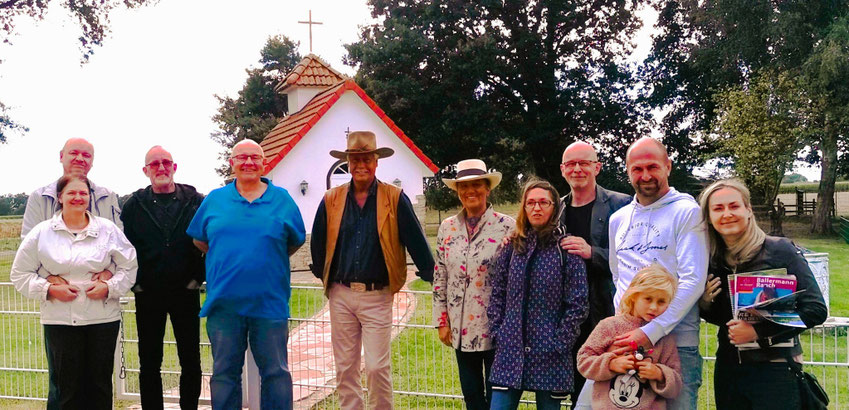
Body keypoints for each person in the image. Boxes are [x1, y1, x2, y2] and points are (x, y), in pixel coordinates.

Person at [310, 131, 435, 409]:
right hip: (341, 294)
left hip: (377, 296)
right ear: (348, 164)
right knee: (345, 368)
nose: (360, 166)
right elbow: (318, 242)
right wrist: (325, 277)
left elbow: (416, 240)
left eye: (366, 159)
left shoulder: (394, 197)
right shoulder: (331, 199)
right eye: (355, 160)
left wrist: (433, 276)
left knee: (377, 367)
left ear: (376, 162)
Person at [187, 139, 306, 410]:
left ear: (264, 163)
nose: (249, 163)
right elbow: (200, 240)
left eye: (255, 157)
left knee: (276, 373)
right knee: (224, 375)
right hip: (223, 306)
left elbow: (294, 240)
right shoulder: (215, 200)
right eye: (242, 157)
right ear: (232, 164)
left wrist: (264, 256)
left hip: (269, 304)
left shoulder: (283, 200)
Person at [697, 179, 827, 409]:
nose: (727, 214)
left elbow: (815, 310)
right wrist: (705, 304)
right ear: (708, 217)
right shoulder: (712, 260)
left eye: (734, 206)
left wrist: (759, 332)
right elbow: (724, 318)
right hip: (729, 372)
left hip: (775, 370)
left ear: (748, 210)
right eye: (718, 209)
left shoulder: (781, 250)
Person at [10, 175, 137, 410]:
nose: (78, 197)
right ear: (60, 197)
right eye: (71, 193)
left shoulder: (107, 230)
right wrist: (49, 289)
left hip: (102, 320)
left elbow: (129, 266)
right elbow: (19, 274)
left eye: (83, 193)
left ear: (89, 197)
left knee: (99, 387)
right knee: (65, 390)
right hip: (60, 322)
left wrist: (109, 287)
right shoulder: (42, 233)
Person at [608, 137, 708, 410]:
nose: (645, 176)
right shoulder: (618, 219)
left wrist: (652, 331)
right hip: (627, 343)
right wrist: (623, 329)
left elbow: (693, 280)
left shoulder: (686, 212)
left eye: (653, 167)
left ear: (668, 166)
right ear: (627, 172)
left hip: (676, 344)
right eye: (637, 169)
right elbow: (620, 279)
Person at [486, 178, 588, 410]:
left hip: (551, 354)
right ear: (524, 208)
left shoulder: (566, 250)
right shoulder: (512, 248)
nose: (537, 208)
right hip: (509, 350)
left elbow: (578, 304)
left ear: (554, 207)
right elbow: (497, 294)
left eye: (544, 202)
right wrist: (499, 331)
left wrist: (560, 342)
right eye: (531, 203)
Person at [120, 146, 205, 410]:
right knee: (149, 361)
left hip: (186, 291)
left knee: (190, 359)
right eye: (154, 164)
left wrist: (197, 279)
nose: (161, 168)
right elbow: (123, 247)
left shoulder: (195, 201)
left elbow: (210, 240)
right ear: (145, 171)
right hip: (149, 294)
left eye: (166, 163)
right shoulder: (134, 205)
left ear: (175, 167)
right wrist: (137, 284)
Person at [431, 159, 515, 410]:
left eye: (477, 185)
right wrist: (442, 321)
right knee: (472, 395)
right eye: (464, 186)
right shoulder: (447, 227)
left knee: (498, 396)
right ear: (457, 191)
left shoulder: (507, 226)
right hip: (459, 327)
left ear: (488, 188)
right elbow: (440, 276)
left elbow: (515, 277)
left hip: (496, 327)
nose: (471, 191)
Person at [557, 141, 631, 400]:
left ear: (597, 167)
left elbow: (634, 257)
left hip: (607, 307)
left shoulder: (622, 205)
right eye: (571, 164)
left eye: (584, 163)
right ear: (562, 170)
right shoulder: (556, 208)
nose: (577, 169)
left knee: (610, 383)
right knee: (575, 380)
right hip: (567, 311)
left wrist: (593, 253)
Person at [577, 264, 683, 409]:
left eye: (661, 302)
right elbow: (583, 360)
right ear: (633, 296)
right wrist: (611, 364)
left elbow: (676, 385)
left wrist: (659, 374)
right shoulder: (609, 326)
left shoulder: (665, 337)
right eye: (648, 299)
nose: (653, 307)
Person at [22, 137, 122, 237]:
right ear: (61, 156)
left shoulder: (108, 197)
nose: (79, 159)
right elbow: (29, 243)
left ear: (92, 162)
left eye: (86, 155)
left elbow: (118, 241)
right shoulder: (39, 198)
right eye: (74, 153)